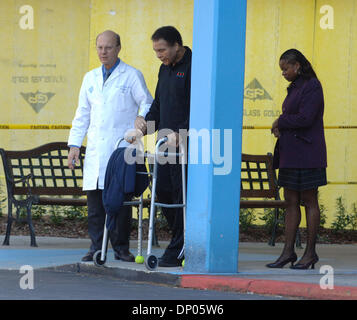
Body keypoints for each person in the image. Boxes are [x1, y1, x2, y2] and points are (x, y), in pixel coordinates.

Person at [67, 30, 153, 262]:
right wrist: (75, 144)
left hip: (121, 149)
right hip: (96, 150)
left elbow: (147, 101)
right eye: (99, 47)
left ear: (118, 48)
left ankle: (121, 249)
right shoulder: (90, 78)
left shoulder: (131, 75)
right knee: (95, 203)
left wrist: (141, 118)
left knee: (120, 202)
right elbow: (82, 114)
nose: (103, 52)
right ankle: (96, 247)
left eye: (108, 47)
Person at [127, 26, 191, 267]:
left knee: (180, 195)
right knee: (162, 193)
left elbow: (199, 107)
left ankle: (180, 248)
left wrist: (182, 132)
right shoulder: (164, 70)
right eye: (155, 51)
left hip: (187, 145)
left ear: (177, 45)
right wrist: (142, 127)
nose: (159, 55)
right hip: (164, 144)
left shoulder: (194, 66)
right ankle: (179, 241)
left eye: (162, 50)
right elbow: (158, 107)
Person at [267, 49, 327, 270]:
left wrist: (281, 122)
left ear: (297, 66)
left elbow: (306, 117)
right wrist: (281, 124)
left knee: (309, 201)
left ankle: (310, 253)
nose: (283, 73)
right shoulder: (294, 87)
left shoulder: (312, 85)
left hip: (308, 153)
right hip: (291, 154)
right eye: (281, 69)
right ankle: (287, 252)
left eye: (285, 68)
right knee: (290, 202)